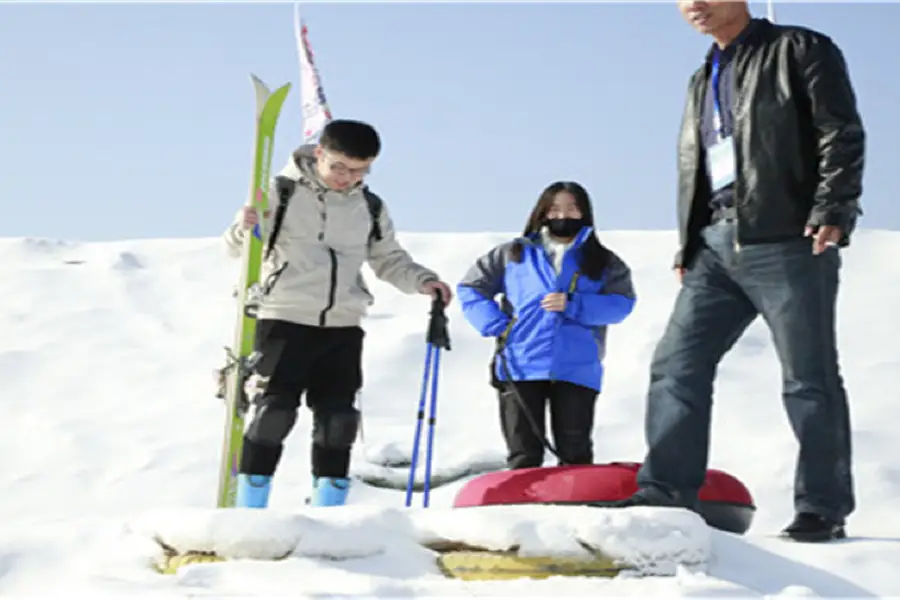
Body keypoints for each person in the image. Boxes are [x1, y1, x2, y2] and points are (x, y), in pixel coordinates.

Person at [614, 1, 865, 543]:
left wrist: (834, 209)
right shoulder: (701, 76)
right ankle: (666, 493)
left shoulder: (799, 48)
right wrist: (689, 241)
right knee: (676, 365)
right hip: (713, 245)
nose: (693, 5)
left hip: (789, 238)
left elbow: (839, 131)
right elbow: (702, 162)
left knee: (808, 378)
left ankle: (822, 507)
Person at [221, 119, 452, 508]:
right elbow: (235, 248)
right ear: (319, 154)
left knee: (339, 422)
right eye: (340, 167)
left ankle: (330, 514)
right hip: (283, 318)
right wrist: (243, 228)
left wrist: (423, 281)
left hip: (342, 325)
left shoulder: (370, 206)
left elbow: (389, 259)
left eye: (360, 170)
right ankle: (250, 509)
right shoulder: (281, 191)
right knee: (274, 413)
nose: (348, 178)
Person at [456, 181, 637, 470]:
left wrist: (574, 303)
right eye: (554, 208)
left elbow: (621, 304)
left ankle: (577, 509)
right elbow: (471, 288)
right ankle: (523, 509)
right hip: (520, 363)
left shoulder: (603, 261)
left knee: (574, 452)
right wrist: (496, 324)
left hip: (577, 367)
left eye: (571, 208)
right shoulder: (512, 254)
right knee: (524, 453)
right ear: (542, 212)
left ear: (585, 213)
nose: (562, 215)